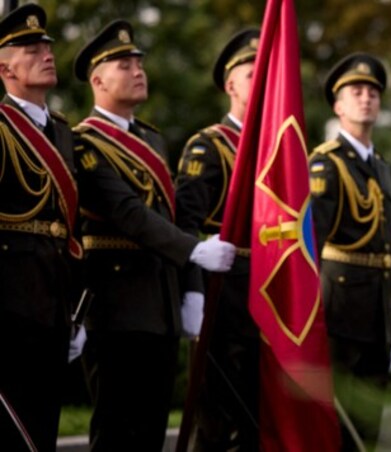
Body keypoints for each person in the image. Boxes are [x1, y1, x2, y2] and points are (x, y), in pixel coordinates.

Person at [71, 20, 235, 450]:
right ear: (98, 79)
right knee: (116, 431)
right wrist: (195, 252)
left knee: (151, 430)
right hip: (116, 304)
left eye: (139, 62)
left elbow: (175, 217)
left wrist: (189, 289)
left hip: (159, 302)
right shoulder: (84, 143)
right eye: (124, 64)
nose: (138, 70)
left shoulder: (150, 139)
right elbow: (128, 213)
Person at [174, 27, 260, 450]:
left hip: (265, 296)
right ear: (230, 85)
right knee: (214, 417)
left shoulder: (274, 151)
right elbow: (185, 226)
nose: (260, 81)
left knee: (256, 420)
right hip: (222, 296)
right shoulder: (208, 146)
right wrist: (192, 293)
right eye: (250, 74)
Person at [0, 4, 82, 450]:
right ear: (4, 68)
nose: (46, 54)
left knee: (43, 429)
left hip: (52, 303)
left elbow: (69, 226)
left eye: (47, 46)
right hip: (9, 305)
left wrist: (75, 310)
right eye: (31, 49)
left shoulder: (62, 131)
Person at [309, 52, 391, 452]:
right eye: (356, 91)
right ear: (338, 105)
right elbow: (309, 246)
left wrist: (389, 320)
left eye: (373, 92)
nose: (366, 98)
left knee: (367, 427)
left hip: (377, 313)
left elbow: (385, 251)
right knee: (336, 427)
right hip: (339, 312)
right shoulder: (325, 164)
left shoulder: (381, 165)